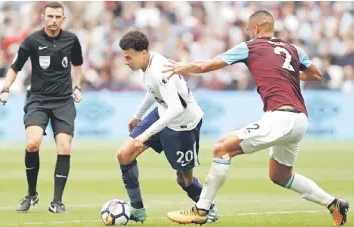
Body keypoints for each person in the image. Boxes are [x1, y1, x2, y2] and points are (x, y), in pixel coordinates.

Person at [164, 10, 350, 226]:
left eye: (249, 30)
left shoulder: (250, 46)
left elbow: (209, 65)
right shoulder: (293, 48)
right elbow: (315, 73)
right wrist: (285, 72)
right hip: (299, 119)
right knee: (280, 176)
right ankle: (335, 204)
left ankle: (202, 209)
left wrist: (184, 67)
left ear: (255, 28)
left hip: (281, 117)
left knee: (222, 148)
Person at [116, 30, 218, 223]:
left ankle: (208, 209)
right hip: (163, 113)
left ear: (143, 53)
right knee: (124, 154)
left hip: (183, 125)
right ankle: (137, 209)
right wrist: (138, 115)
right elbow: (152, 91)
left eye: (128, 57)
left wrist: (145, 135)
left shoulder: (159, 70)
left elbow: (177, 108)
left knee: (184, 181)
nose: (126, 62)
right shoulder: (147, 65)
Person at [0, 1, 83, 213]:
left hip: (63, 100)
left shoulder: (72, 40)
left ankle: (57, 201)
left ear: (63, 19)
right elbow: (15, 66)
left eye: (58, 17)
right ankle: (31, 193)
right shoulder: (32, 41)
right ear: (43, 17)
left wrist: (78, 86)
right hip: (38, 99)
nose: (54, 20)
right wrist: (6, 88)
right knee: (33, 144)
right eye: (50, 16)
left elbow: (78, 65)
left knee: (64, 147)